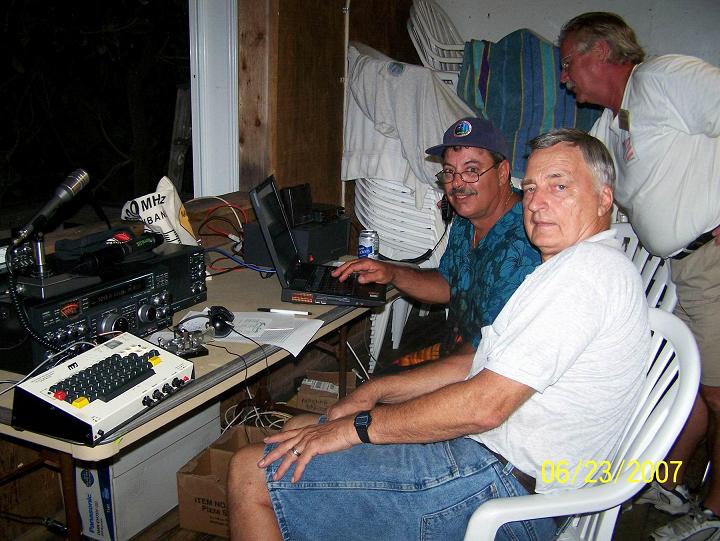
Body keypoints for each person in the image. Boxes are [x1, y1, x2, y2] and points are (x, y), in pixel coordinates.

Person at [226, 129, 650, 541]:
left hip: (502, 490)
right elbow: (478, 362)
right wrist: (373, 393)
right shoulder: (567, 267)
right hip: (489, 459)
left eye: (559, 187)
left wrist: (359, 426)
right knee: (303, 428)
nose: (537, 203)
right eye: (533, 188)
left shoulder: (585, 274)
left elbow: (484, 405)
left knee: (250, 472)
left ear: (604, 197)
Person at [558, 12, 720, 540]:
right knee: (685, 389)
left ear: (602, 51)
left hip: (712, 259)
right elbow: (592, 187)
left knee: (718, 394)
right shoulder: (611, 124)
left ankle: (714, 513)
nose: (564, 77)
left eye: (569, 62)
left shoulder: (663, 78)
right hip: (682, 268)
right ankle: (667, 484)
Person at [334, 117, 540, 358]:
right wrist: (391, 272)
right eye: (450, 172)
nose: (457, 183)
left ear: (502, 172)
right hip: (456, 357)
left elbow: (489, 352)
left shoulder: (528, 239)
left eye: (471, 170)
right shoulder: (465, 218)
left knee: (383, 382)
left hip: (491, 368)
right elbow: (448, 284)